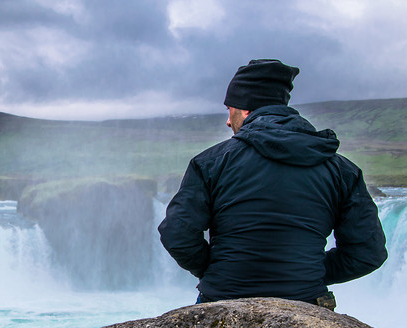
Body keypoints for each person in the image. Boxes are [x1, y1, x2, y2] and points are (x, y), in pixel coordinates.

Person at [158, 59, 387, 309]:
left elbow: (177, 234)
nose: (227, 120)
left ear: (246, 109)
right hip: (307, 303)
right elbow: (368, 253)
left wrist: (217, 268)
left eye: (229, 109)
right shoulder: (342, 170)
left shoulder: (211, 163)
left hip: (223, 299)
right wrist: (306, 271)